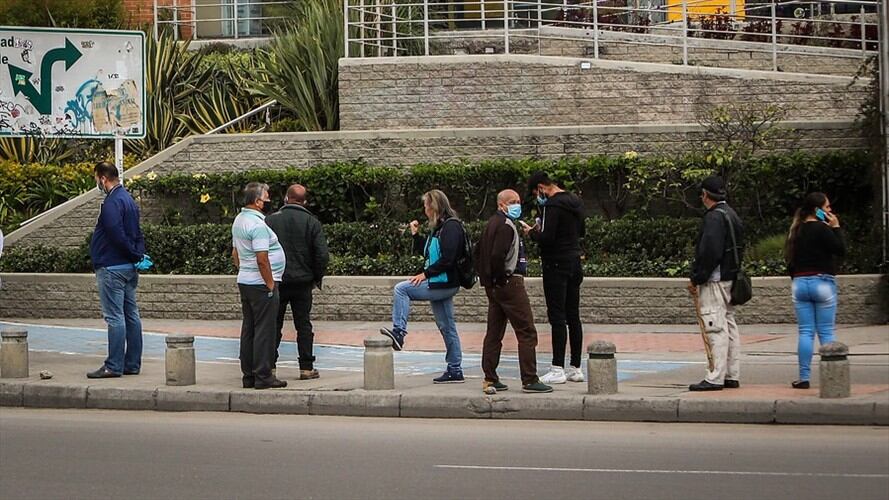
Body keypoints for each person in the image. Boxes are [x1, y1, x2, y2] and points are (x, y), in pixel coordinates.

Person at [380, 189, 466, 384]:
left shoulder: (451, 227)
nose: (424, 209)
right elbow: (430, 255)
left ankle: (399, 333)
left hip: (443, 282)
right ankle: (455, 369)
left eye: (426, 205)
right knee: (447, 326)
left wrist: (425, 275)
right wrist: (416, 235)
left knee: (402, 289)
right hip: (440, 281)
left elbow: (448, 259)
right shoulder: (440, 227)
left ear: (434, 206)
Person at [476, 189, 553, 394]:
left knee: (494, 332)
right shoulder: (506, 225)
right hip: (510, 284)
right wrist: (501, 279)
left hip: (494, 287)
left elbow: (479, 252)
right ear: (501, 205)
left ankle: (490, 378)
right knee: (526, 330)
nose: (516, 205)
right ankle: (529, 379)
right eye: (512, 201)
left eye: (518, 201)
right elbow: (496, 256)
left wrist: (489, 282)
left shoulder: (491, 224)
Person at [523, 171, 586, 385]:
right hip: (574, 261)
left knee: (557, 316)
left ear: (541, 187)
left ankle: (557, 367)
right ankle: (576, 367)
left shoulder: (552, 205)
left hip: (555, 263)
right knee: (573, 315)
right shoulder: (575, 201)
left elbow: (547, 238)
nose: (537, 197)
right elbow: (582, 231)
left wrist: (532, 232)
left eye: (536, 193)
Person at [87, 162, 148, 379]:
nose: (97, 183)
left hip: (112, 267)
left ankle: (113, 365)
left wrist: (132, 253)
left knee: (115, 317)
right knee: (131, 314)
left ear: (103, 178)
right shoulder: (128, 200)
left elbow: (116, 233)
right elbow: (136, 232)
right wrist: (138, 255)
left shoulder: (112, 202)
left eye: (97, 179)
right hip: (128, 268)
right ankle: (131, 363)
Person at [266, 184, 330, 381]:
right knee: (303, 325)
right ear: (305, 201)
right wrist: (315, 277)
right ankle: (306, 367)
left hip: (277, 280)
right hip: (303, 282)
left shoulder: (271, 220)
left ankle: (270, 367)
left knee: (274, 324)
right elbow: (322, 255)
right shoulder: (312, 222)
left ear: (286, 198)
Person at [687, 175, 744, 392]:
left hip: (714, 280)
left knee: (714, 325)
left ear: (705, 195)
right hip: (730, 277)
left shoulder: (713, 218)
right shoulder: (731, 214)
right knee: (729, 325)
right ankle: (731, 373)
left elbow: (709, 252)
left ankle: (715, 376)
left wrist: (697, 277)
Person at [784, 192, 845, 390]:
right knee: (826, 332)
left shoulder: (797, 230)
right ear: (817, 210)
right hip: (823, 282)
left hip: (800, 283)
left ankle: (803, 377)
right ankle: (832, 377)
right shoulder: (823, 229)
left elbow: (790, 261)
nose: (830, 211)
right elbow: (840, 250)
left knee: (805, 332)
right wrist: (836, 227)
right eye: (827, 208)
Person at [232, 182, 288, 390]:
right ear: (257, 201)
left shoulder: (239, 220)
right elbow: (262, 258)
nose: (268, 201)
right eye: (266, 197)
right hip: (261, 284)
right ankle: (263, 376)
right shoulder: (258, 225)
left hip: (246, 281)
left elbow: (235, 253)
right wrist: (270, 283)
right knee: (265, 330)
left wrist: (243, 270)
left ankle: (248, 375)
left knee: (249, 328)